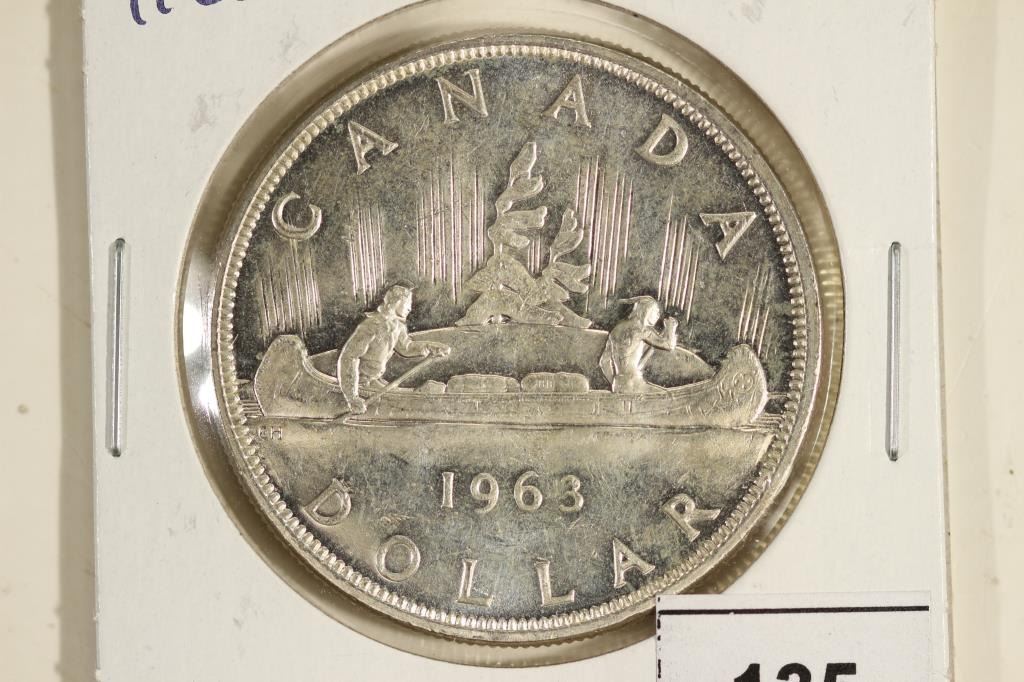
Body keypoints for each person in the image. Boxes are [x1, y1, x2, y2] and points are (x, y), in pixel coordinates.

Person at [337, 285, 450, 414]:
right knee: (405, 401)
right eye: (408, 303)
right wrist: (352, 397)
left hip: (375, 381)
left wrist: (430, 347)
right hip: (360, 383)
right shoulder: (371, 325)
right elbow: (349, 357)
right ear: (397, 302)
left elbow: (406, 347)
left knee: (410, 395)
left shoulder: (397, 326)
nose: (410, 308)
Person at [599, 296, 678, 394]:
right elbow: (669, 345)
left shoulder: (616, 330)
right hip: (635, 382)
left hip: (618, 384)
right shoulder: (642, 329)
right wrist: (671, 328)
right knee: (667, 397)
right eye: (656, 311)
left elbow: (603, 362)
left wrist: (617, 382)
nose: (658, 316)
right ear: (647, 311)